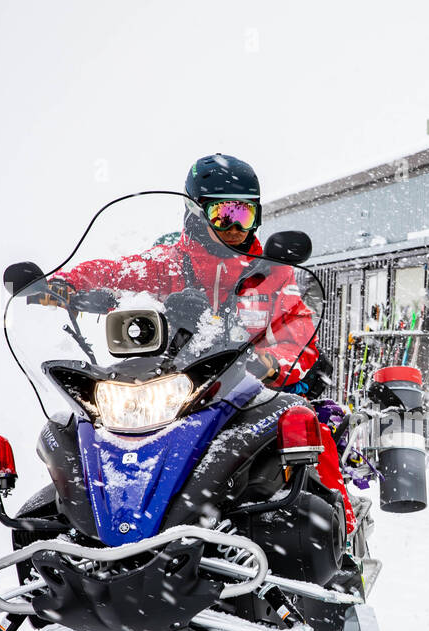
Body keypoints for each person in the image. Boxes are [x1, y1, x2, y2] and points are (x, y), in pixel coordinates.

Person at [44, 153, 355, 532]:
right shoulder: (168, 265)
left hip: (250, 389)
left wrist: (271, 361)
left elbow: (298, 328)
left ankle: (342, 533)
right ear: (195, 214)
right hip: (181, 390)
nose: (236, 227)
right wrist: (66, 283)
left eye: (245, 215)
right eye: (223, 215)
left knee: (306, 424)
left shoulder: (270, 274)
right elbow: (118, 272)